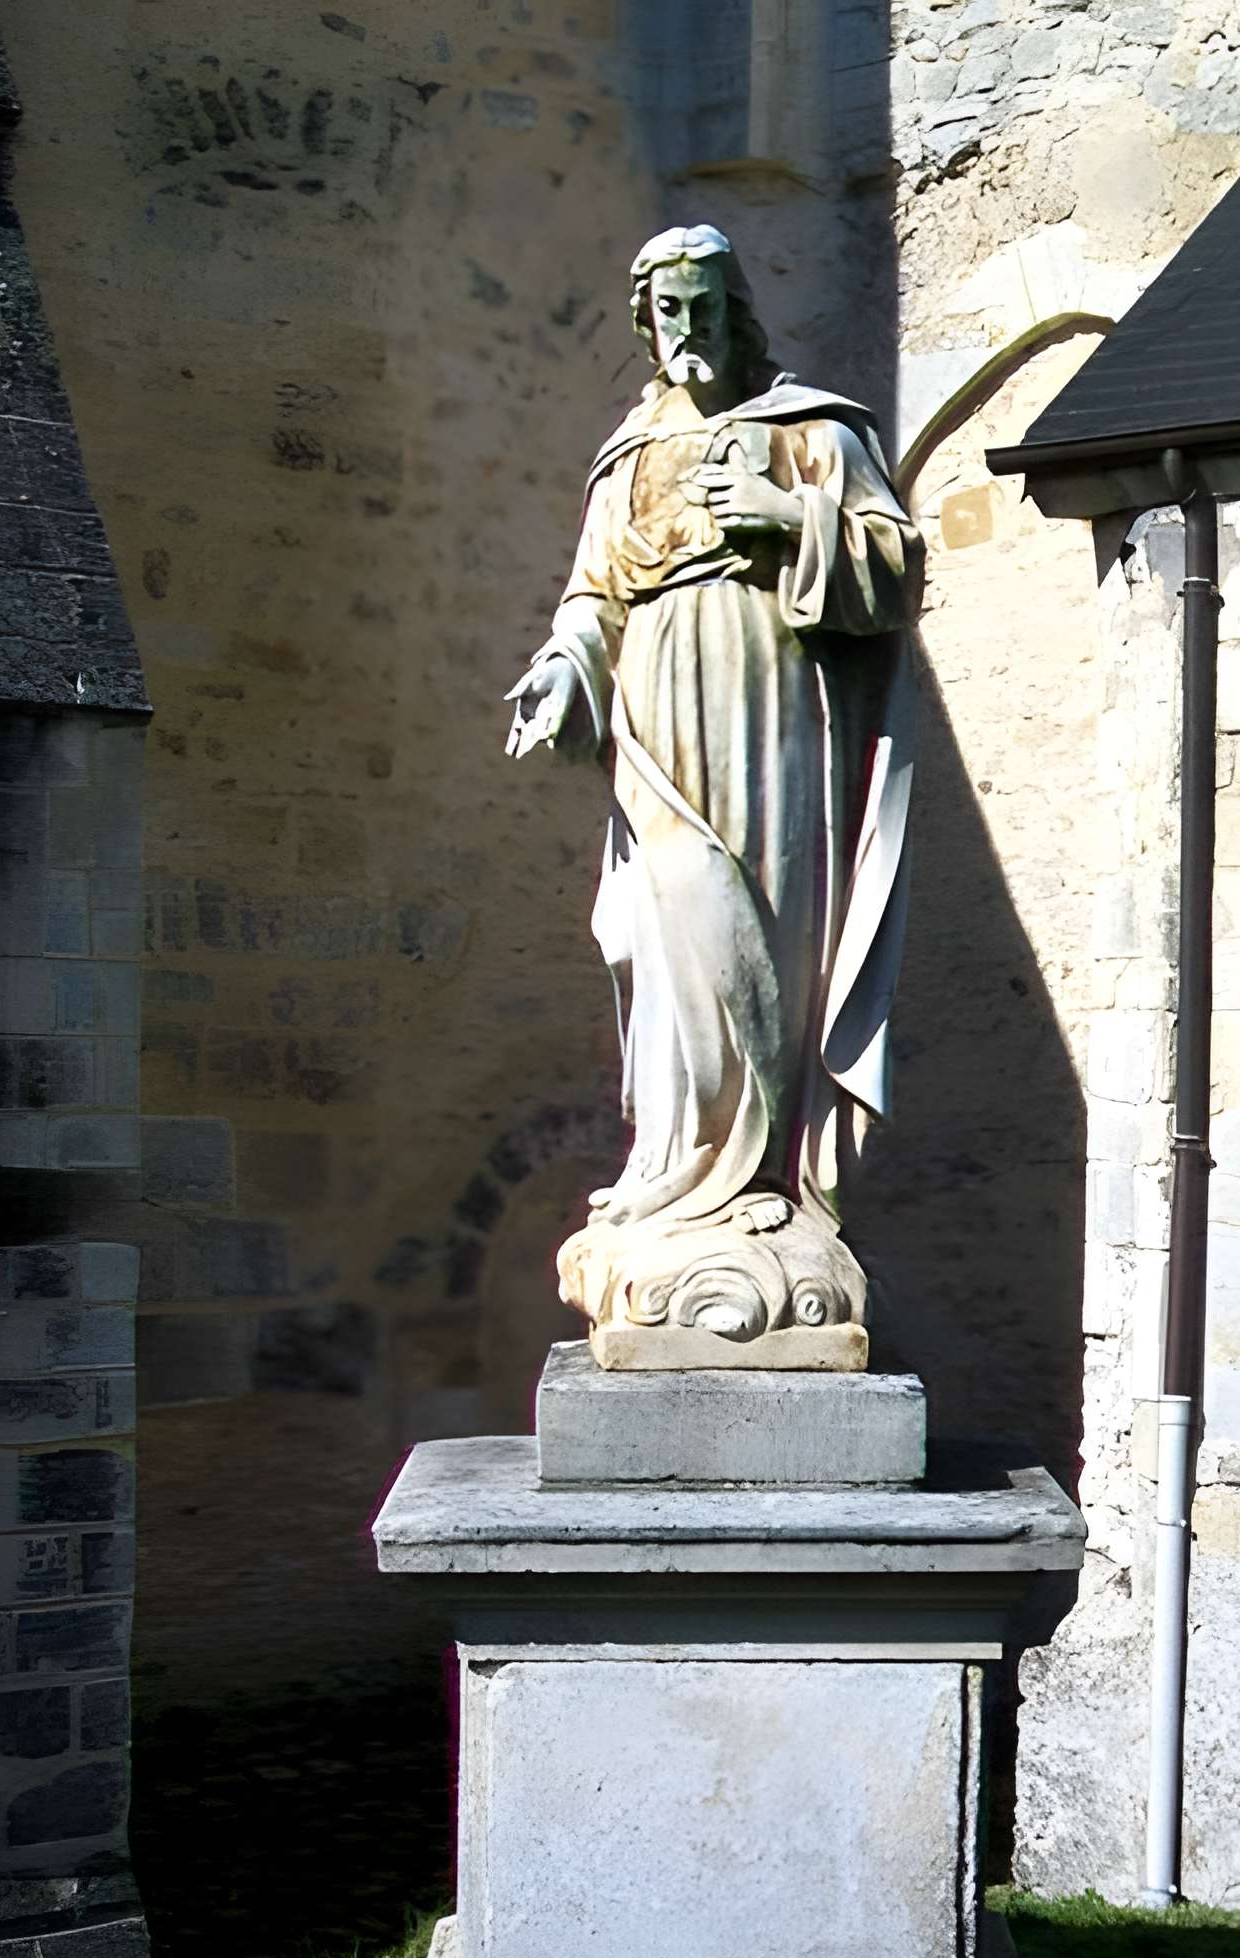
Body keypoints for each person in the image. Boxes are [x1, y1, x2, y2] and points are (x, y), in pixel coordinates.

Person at [506, 225, 923, 1362]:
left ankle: (764, 1180)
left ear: (734, 309)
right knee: (674, 927)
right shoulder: (629, 454)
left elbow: (898, 568)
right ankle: (677, 1166)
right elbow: (593, 596)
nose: (686, 329)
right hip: (653, 726)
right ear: (646, 325)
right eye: (667, 311)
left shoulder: (812, 431)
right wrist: (565, 667)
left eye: (703, 305)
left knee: (769, 935)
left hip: (771, 714)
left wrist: (790, 519)